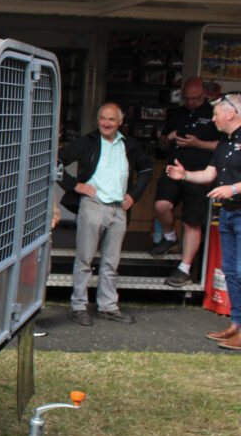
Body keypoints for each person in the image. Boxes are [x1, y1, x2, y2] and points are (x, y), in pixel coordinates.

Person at [58, 102, 153, 326]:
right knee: (85, 258)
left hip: (119, 209)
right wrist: (75, 185)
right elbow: (56, 161)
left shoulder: (129, 144)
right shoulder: (88, 142)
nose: (106, 123)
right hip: (93, 205)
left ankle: (108, 306)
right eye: (102, 118)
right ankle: (78, 306)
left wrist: (134, 194)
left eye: (111, 119)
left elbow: (147, 169)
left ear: (120, 122)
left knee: (111, 262)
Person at [166, 93, 241, 350]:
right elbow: (210, 174)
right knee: (231, 272)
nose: (213, 118)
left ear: (231, 114)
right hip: (229, 215)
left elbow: (231, 184)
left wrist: (234, 188)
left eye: (217, 113)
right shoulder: (223, 144)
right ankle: (236, 324)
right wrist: (184, 174)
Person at [151, 77, 223, 287]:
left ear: (204, 95)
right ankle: (169, 236)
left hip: (200, 173)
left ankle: (184, 269)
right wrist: (170, 136)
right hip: (173, 169)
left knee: (192, 222)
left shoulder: (213, 114)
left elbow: (222, 145)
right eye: (188, 98)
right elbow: (162, 144)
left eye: (196, 98)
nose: (191, 102)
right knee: (161, 205)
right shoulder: (176, 113)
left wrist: (197, 143)